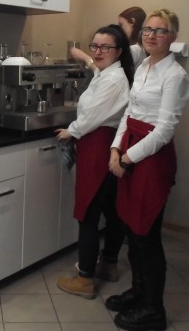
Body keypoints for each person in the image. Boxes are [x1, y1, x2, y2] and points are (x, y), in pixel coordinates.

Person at [106, 9, 189, 331]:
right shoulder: (143, 66)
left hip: (152, 159)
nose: (152, 35)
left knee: (146, 235)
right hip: (129, 147)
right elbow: (130, 113)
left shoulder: (175, 75)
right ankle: (139, 291)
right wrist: (116, 148)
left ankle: (154, 309)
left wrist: (127, 159)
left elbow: (164, 129)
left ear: (172, 37)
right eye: (148, 30)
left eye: (160, 30)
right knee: (130, 226)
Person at [55, 25, 134, 299]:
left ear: (118, 51)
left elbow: (92, 117)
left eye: (105, 47)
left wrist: (71, 131)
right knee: (111, 210)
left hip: (99, 147)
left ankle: (85, 278)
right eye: (95, 46)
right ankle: (109, 265)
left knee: (87, 213)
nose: (98, 52)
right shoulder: (109, 73)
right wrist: (87, 60)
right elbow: (97, 70)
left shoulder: (114, 80)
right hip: (104, 145)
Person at [71, 6, 147, 71]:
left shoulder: (135, 50)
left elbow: (106, 72)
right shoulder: (140, 48)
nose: (119, 29)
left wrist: (85, 57)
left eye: (121, 25)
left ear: (132, 22)